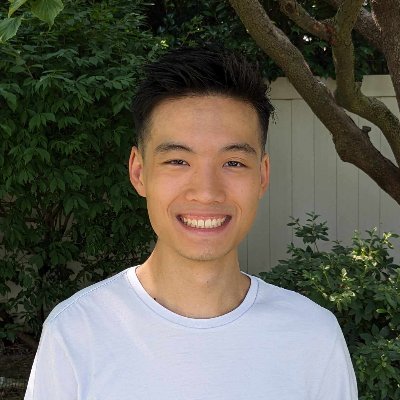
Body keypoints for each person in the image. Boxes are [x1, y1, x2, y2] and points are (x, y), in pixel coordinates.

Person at [25, 46, 358, 400]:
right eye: (178, 161)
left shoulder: (313, 338)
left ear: (262, 176)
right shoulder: (76, 332)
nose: (206, 192)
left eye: (233, 163)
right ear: (138, 172)